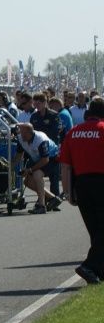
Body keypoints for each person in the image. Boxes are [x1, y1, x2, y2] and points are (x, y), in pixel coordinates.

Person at [60, 96, 104, 284]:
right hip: (101, 181)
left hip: (82, 183)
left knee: (95, 229)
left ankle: (98, 270)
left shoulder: (73, 132)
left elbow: (65, 166)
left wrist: (68, 192)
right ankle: (90, 266)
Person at [16, 123, 63, 214]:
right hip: (38, 158)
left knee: (37, 174)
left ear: (30, 133)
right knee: (27, 182)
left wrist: (30, 170)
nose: (21, 136)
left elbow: (45, 160)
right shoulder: (21, 138)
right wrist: (10, 166)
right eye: (21, 133)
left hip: (52, 158)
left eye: (24, 134)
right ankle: (53, 198)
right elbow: (18, 156)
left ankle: (41, 206)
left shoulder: (40, 140)